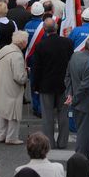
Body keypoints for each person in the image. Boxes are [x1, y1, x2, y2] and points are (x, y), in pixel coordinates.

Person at [34, 18, 74, 150]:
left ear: (45, 30)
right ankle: (62, 142)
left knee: (47, 116)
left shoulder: (41, 45)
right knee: (63, 115)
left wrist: (35, 86)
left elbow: (37, 68)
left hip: (46, 85)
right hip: (63, 84)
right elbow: (71, 63)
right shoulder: (67, 43)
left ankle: (48, 142)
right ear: (57, 28)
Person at [65, 36, 89, 161]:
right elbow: (84, 86)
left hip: (77, 99)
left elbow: (68, 76)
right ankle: (81, 158)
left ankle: (86, 153)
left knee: (86, 131)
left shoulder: (75, 56)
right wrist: (73, 99)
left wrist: (69, 94)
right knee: (84, 132)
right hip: (85, 101)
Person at [0, 31, 29, 145]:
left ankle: (1, 135)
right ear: (22, 43)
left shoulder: (4, 49)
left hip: (1, 83)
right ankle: (12, 137)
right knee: (13, 113)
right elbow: (19, 77)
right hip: (12, 87)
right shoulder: (17, 55)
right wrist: (26, 74)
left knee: (3, 112)